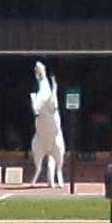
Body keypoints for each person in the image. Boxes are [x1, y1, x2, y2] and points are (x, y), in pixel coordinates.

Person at [30, 61, 68, 194]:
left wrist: (55, 87)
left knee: (57, 159)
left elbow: (53, 103)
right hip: (41, 136)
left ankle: (59, 174)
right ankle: (37, 172)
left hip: (54, 134)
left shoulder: (48, 93)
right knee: (38, 158)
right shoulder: (41, 91)